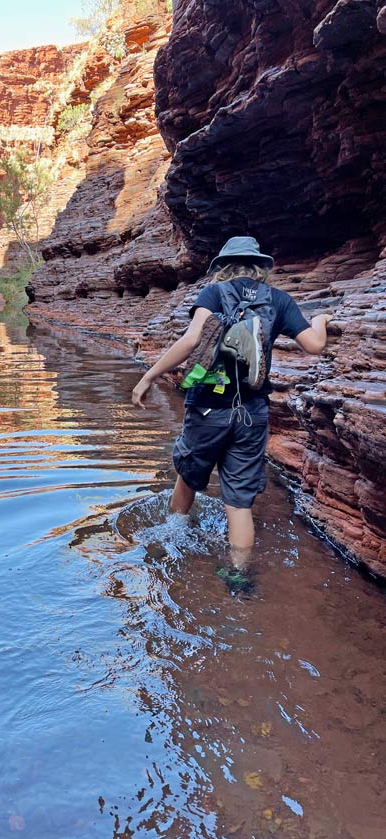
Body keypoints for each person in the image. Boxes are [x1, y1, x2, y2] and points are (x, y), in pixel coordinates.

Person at [131, 236, 332, 592]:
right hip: (252, 413)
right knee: (238, 502)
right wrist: (319, 320)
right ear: (259, 267)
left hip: (207, 407)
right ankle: (238, 577)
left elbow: (192, 340)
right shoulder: (279, 301)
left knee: (189, 474)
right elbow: (315, 346)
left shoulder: (214, 294)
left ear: (223, 266)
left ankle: (173, 542)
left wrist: (149, 375)